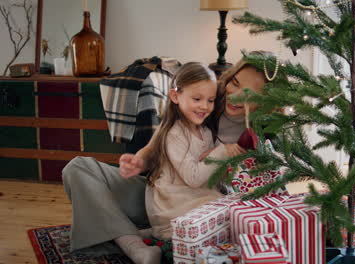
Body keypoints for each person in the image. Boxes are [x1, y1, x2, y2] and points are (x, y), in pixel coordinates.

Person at [61, 53, 268, 263]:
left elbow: (251, 188)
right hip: (163, 194)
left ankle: (138, 233)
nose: (237, 96)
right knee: (78, 168)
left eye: (251, 94)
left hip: (202, 203)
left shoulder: (264, 135)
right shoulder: (198, 105)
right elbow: (154, 149)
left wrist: (228, 165)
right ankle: (135, 245)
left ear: (268, 102)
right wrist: (139, 161)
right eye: (235, 83)